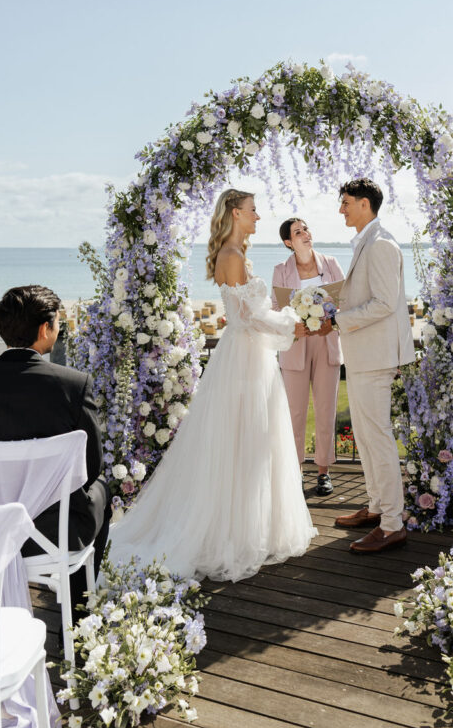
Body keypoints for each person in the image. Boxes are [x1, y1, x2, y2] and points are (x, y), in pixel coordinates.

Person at [109, 188, 318, 582]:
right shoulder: (231, 256)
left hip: (253, 358)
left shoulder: (238, 254)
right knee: (241, 441)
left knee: (253, 441)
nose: (258, 217)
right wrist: (294, 325)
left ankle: (250, 527)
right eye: (253, 211)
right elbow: (245, 320)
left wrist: (287, 320)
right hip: (243, 360)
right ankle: (231, 534)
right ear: (236, 214)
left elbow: (252, 314)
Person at [0, 285, 111, 617]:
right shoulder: (74, 385)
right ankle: (76, 615)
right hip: (54, 537)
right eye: (58, 323)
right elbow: (90, 468)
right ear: (45, 329)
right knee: (103, 490)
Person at [319, 178, 415, 554]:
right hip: (361, 356)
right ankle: (377, 508)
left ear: (364, 204)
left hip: (375, 358)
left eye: (344, 202)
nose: (340, 209)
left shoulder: (382, 245)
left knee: (378, 439)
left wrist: (338, 320)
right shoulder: (368, 242)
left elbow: (385, 304)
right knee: (364, 437)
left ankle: (392, 524)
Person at [272, 218, 344, 495]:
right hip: (295, 346)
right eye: (298, 232)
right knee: (295, 413)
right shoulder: (281, 270)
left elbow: (344, 301)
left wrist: (331, 321)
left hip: (327, 342)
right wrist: (292, 325)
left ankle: (324, 472)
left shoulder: (331, 263)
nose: (305, 234)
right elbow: (276, 307)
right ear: (288, 242)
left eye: (306, 229)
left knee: (326, 409)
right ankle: (297, 470)